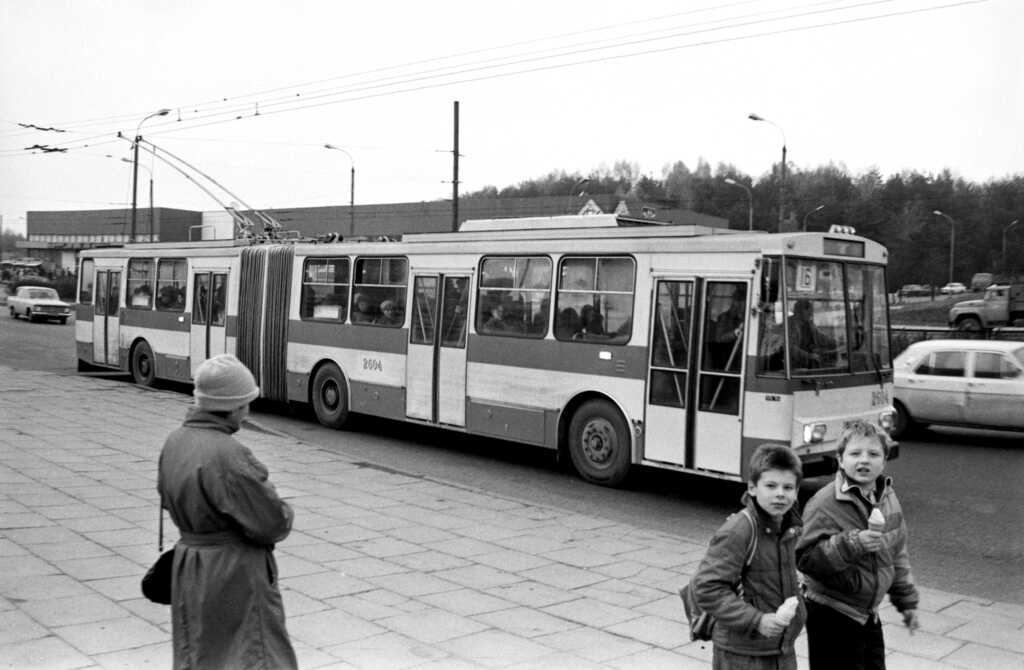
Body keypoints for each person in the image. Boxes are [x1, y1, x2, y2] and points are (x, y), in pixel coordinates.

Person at [157, 354, 298, 670]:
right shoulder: (230, 454)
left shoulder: (175, 441)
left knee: (200, 652)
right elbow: (270, 523)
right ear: (232, 405)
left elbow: (167, 497)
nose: (248, 411)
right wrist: (285, 509)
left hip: (190, 566)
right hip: (233, 572)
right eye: (246, 403)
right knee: (253, 654)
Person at [796, 419, 920, 670]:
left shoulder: (888, 499)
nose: (864, 460)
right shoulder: (825, 503)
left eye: (873, 454)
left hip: (868, 615)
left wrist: (906, 601)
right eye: (855, 453)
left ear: (884, 460)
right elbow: (806, 559)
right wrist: (852, 544)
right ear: (840, 460)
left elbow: (896, 554)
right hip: (831, 612)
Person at [692, 444, 806, 670]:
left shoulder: (790, 527)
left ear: (796, 491)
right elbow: (707, 588)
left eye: (788, 487)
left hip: (780, 648)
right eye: (771, 486)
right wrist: (757, 620)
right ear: (753, 488)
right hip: (742, 654)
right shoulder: (740, 530)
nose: (780, 494)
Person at [788, 299, 836, 368]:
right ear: (800, 311)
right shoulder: (790, 324)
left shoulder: (808, 324)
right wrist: (808, 356)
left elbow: (820, 336)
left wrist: (835, 342)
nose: (811, 314)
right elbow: (790, 347)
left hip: (810, 362)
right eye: (808, 311)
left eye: (811, 311)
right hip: (795, 365)